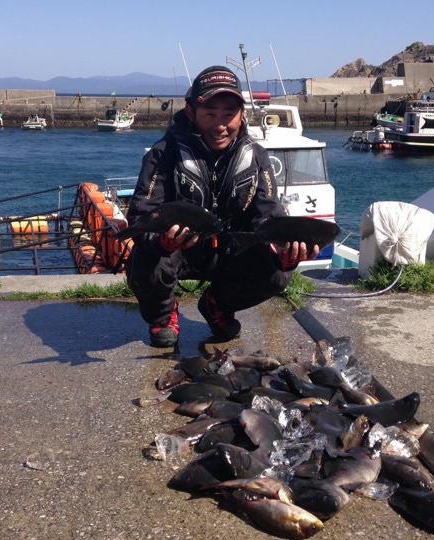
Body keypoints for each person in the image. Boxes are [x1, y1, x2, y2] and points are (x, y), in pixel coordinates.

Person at [124, 65, 318, 347]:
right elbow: (141, 216)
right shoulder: (163, 153)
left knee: (279, 273)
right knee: (143, 259)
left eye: (229, 114)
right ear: (191, 112)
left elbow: (269, 215)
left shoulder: (257, 156)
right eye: (210, 114)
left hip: (230, 250)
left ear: (242, 114)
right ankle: (163, 317)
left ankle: (218, 304)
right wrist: (162, 242)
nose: (220, 125)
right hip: (177, 249)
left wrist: (283, 252)